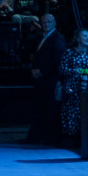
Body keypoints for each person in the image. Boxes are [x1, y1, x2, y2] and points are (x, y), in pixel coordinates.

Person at [25, 13, 66, 145]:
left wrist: (42, 72)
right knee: (40, 108)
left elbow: (58, 61)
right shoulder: (41, 37)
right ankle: (38, 136)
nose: (46, 25)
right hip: (41, 80)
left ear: (54, 23)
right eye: (44, 22)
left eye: (48, 22)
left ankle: (53, 138)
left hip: (51, 80)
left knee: (51, 109)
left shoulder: (57, 38)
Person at [56, 29, 88, 147]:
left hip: (84, 89)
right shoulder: (69, 53)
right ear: (78, 39)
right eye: (84, 36)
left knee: (82, 112)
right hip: (71, 89)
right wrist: (73, 71)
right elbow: (62, 69)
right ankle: (69, 138)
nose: (87, 38)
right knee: (70, 113)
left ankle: (81, 138)